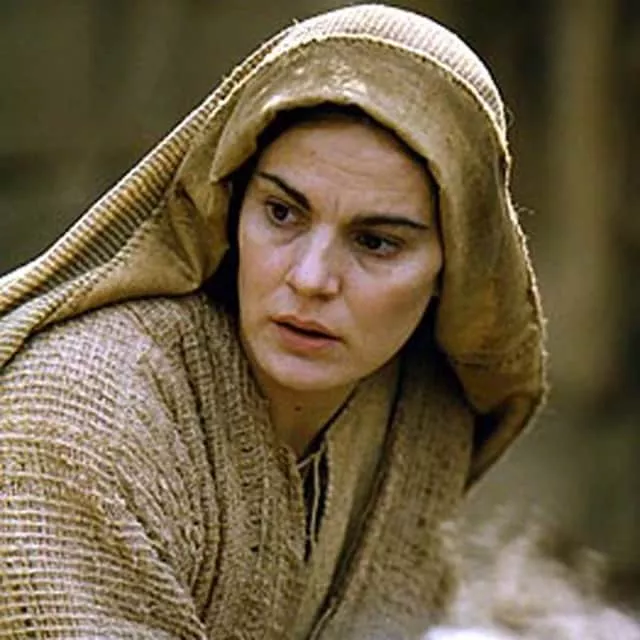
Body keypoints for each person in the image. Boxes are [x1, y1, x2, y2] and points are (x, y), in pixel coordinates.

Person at [0, 4, 546, 639]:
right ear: (230, 207)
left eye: (376, 242)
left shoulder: (422, 420)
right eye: (282, 213)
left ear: (453, 269)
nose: (311, 278)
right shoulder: (80, 421)